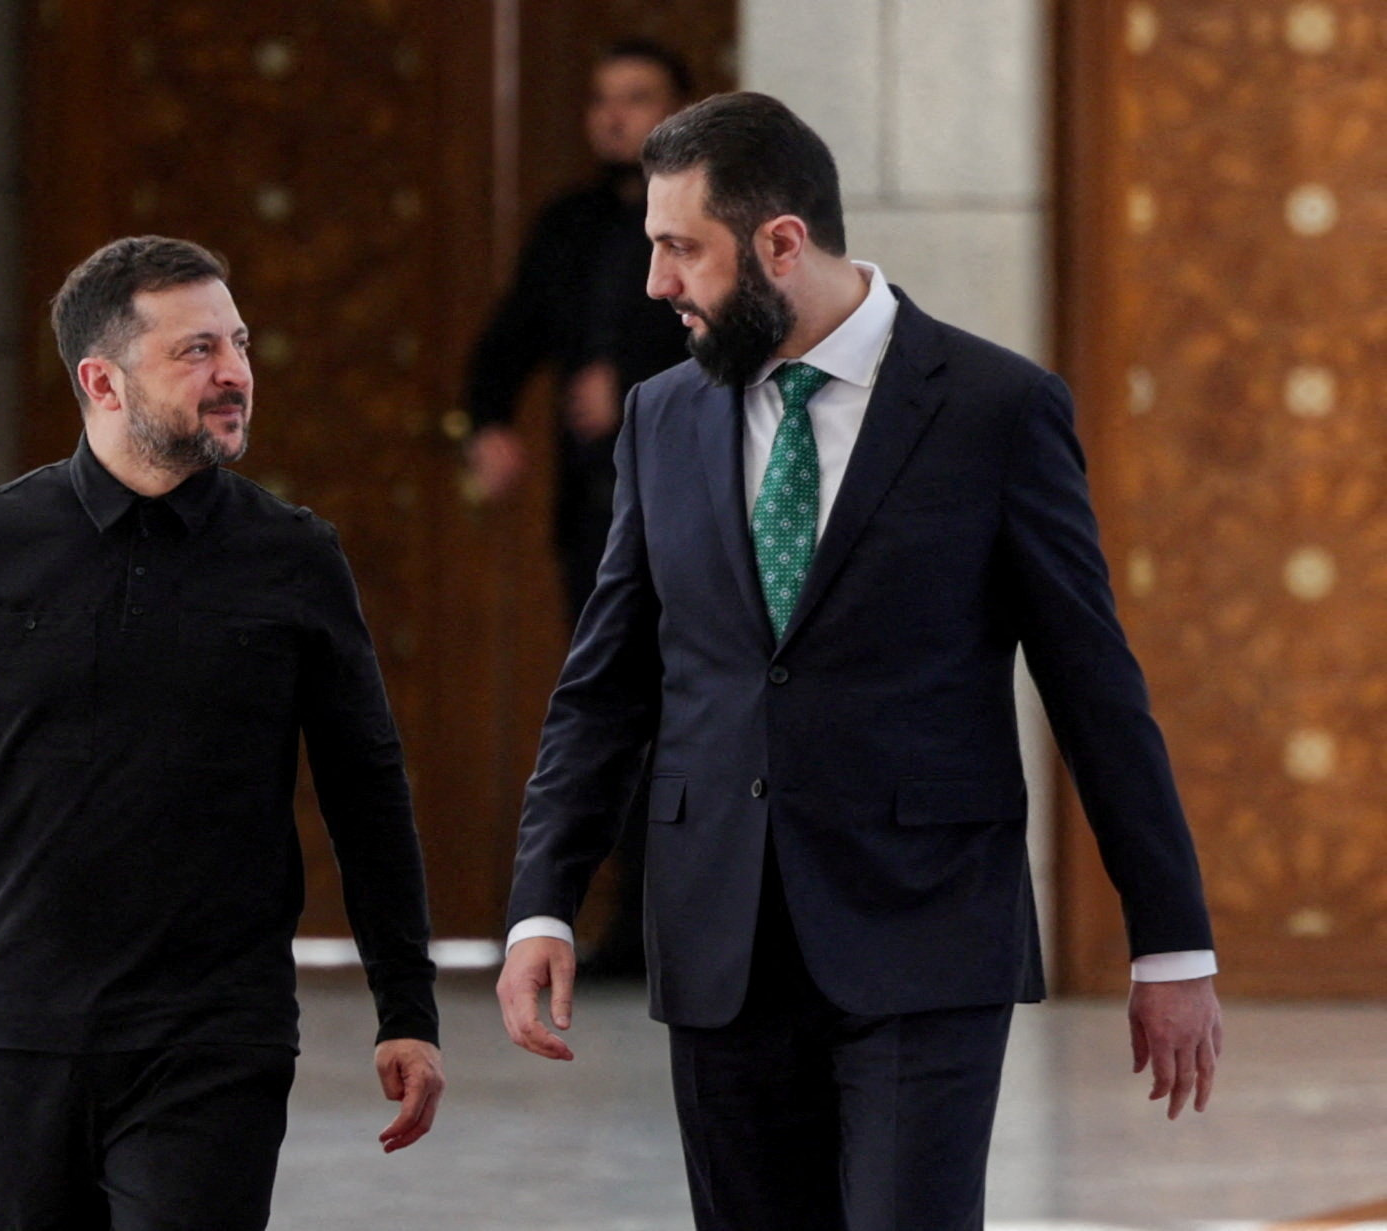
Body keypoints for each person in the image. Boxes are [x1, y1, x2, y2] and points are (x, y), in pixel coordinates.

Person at [495, 93, 1222, 1230]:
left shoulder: (997, 408)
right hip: (718, 942)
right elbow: (606, 687)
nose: (655, 283)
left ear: (781, 242)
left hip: (923, 932)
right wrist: (541, 903)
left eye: (681, 248)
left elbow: (1093, 688)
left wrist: (1169, 942)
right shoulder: (659, 417)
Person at [0, 236, 444, 1230]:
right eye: (196, 350)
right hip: (17, 1031)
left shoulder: (292, 556)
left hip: (215, 1034)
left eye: (238, 343)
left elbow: (364, 789)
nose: (234, 371)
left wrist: (405, 1007)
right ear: (102, 381)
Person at [465, 38, 693, 978]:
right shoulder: (569, 224)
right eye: (602, 98)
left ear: (678, 109)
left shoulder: (710, 220)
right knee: (614, 711)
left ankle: (681, 925)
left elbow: (739, 344)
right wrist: (487, 420)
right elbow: (512, 333)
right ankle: (624, 924)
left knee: (691, 715)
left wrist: (629, 380)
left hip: (696, 510)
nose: (614, 115)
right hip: (597, 513)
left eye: (636, 96)